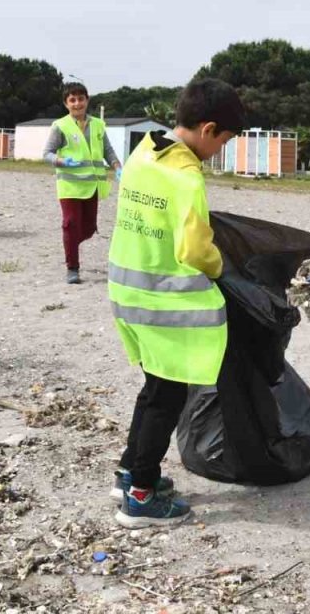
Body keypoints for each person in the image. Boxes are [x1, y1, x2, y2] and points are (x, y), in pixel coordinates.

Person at [107, 78, 243, 528]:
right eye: (224, 141)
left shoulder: (144, 153)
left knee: (153, 389)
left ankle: (129, 472)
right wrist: (223, 267)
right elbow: (194, 249)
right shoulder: (186, 177)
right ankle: (141, 496)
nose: (220, 150)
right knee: (167, 397)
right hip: (162, 304)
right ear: (208, 129)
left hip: (127, 291)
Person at [43, 82, 122, 283]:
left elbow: (108, 150)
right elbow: (47, 153)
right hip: (70, 186)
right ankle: (72, 268)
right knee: (70, 225)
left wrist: (117, 166)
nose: (77, 103)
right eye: (72, 100)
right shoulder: (60, 126)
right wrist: (61, 161)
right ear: (66, 103)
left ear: (87, 100)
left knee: (87, 228)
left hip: (92, 186)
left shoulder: (98, 125)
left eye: (80, 99)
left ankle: (70, 243)